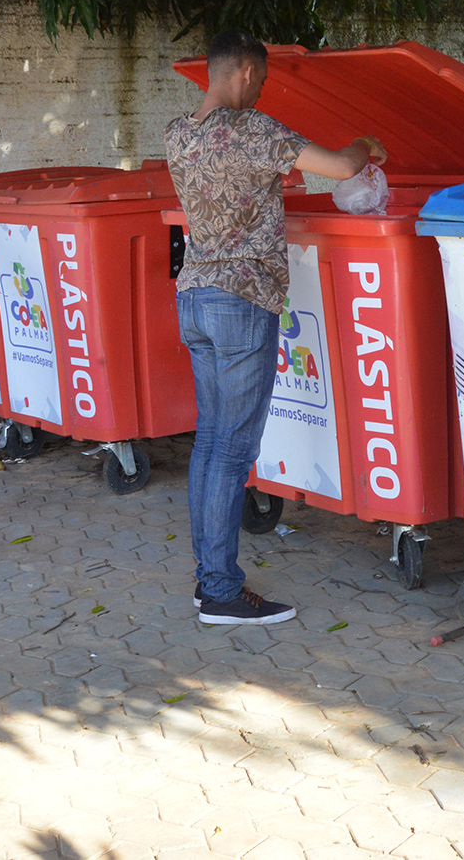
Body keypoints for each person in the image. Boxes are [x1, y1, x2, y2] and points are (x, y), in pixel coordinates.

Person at [165, 31, 386, 625]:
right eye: (260, 80)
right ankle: (219, 591)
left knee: (210, 443)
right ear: (241, 72)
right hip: (241, 302)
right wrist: (364, 144)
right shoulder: (254, 131)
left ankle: (207, 578)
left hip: (194, 298)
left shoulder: (177, 134)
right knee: (232, 450)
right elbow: (340, 166)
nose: (261, 91)